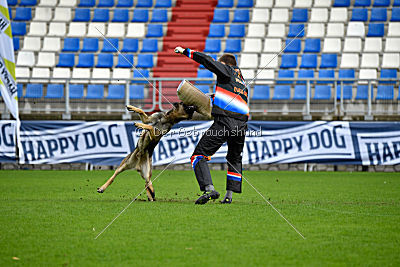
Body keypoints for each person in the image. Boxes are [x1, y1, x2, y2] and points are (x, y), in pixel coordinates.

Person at [174, 46, 249, 205]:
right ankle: (228, 197)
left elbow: (208, 61)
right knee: (234, 159)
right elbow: (226, 99)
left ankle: (209, 189)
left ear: (224, 64)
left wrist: (186, 51)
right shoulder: (242, 83)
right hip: (241, 125)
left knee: (198, 156)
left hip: (225, 122)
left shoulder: (227, 69)